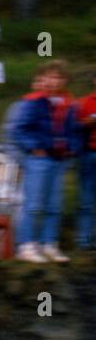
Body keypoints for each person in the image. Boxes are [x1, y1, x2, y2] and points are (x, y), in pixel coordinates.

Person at [13, 60, 82, 263]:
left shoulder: (70, 103)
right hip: (39, 159)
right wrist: (34, 147)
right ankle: (26, 245)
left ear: (66, 80)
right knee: (34, 203)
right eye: (51, 76)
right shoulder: (33, 101)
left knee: (54, 205)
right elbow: (20, 129)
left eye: (59, 77)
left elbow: (76, 131)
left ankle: (49, 244)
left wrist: (73, 149)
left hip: (59, 160)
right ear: (43, 78)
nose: (55, 81)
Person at [78, 71, 96, 250]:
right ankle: (84, 241)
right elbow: (75, 125)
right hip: (88, 154)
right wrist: (88, 122)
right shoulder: (85, 102)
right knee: (86, 200)